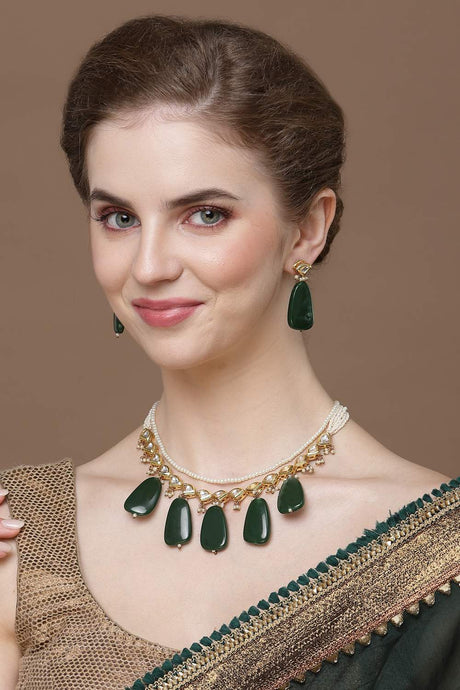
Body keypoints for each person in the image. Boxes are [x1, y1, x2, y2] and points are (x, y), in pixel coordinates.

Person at [0, 14, 459, 690]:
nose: (148, 266)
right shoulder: (25, 538)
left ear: (308, 229)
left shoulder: (442, 559)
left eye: (205, 215)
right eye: (118, 218)